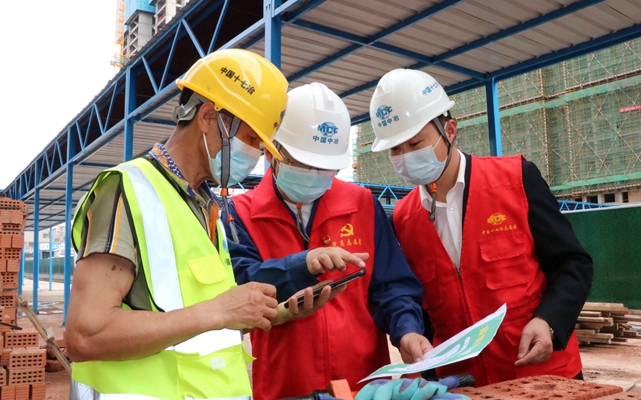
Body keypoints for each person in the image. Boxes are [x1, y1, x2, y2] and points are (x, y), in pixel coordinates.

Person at [66, 49, 294, 399]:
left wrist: (261, 314)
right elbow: (85, 335)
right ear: (208, 117)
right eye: (251, 138)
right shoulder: (127, 189)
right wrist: (218, 311)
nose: (255, 155)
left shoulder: (206, 207)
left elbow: (199, 324)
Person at [368, 69, 594, 386]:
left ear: (450, 130)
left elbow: (573, 263)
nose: (405, 157)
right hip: (464, 383)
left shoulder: (516, 179)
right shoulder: (403, 218)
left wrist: (549, 321)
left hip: (541, 373)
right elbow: (418, 306)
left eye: (415, 143)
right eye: (395, 149)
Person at [226, 82, 431, 399]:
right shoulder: (239, 214)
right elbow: (240, 284)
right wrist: (301, 265)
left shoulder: (363, 205)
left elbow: (392, 286)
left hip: (364, 386)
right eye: (304, 163)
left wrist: (406, 330)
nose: (315, 173)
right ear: (271, 151)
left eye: (325, 166)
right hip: (286, 387)